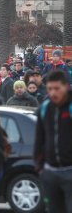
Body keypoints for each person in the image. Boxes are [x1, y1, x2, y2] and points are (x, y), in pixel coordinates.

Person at [34, 70, 72, 213]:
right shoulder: (45, 108)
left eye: (57, 89)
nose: (53, 93)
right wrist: (39, 166)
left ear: (66, 87)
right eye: (50, 89)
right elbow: (39, 137)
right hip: (50, 171)